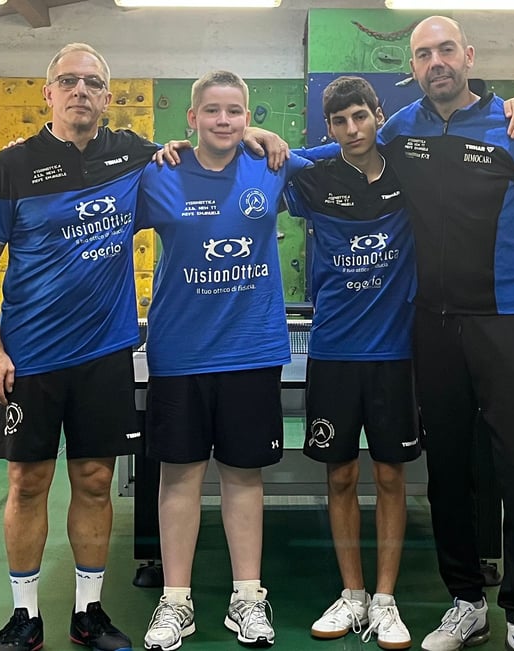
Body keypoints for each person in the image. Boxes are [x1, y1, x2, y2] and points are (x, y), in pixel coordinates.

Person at [374, 17, 514, 651]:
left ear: (468, 56)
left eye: (446, 50)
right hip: (433, 328)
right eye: (423, 54)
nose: (436, 62)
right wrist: (264, 142)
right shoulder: (400, 129)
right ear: (412, 67)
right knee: (447, 473)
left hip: (507, 327)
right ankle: (466, 602)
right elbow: (345, 156)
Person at [0, 43, 159, 651]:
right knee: (27, 481)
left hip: (105, 354)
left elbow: (209, 147)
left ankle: (88, 612)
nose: (81, 90)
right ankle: (24, 616)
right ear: (48, 92)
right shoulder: (12, 164)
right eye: (69, 81)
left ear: (108, 96)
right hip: (29, 359)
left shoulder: (133, 154)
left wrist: (260, 133)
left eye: (93, 82)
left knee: (97, 480)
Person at [138, 70, 311, 651]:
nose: (222, 120)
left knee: (242, 475)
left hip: (251, 350)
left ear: (247, 117)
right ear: (191, 118)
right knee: (180, 477)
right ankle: (176, 602)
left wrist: (267, 136)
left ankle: (248, 597)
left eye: (234, 111)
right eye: (211, 110)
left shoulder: (271, 165)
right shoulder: (159, 173)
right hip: (179, 354)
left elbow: (348, 153)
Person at [283, 76, 421, 651]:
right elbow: (272, 156)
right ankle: (353, 593)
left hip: (394, 354)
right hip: (333, 351)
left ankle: (385, 601)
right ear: (329, 127)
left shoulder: (409, 172)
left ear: (378, 116)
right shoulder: (315, 180)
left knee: (390, 476)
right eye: (339, 122)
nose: (352, 129)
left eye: (361, 117)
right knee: (339, 476)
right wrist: (272, 139)